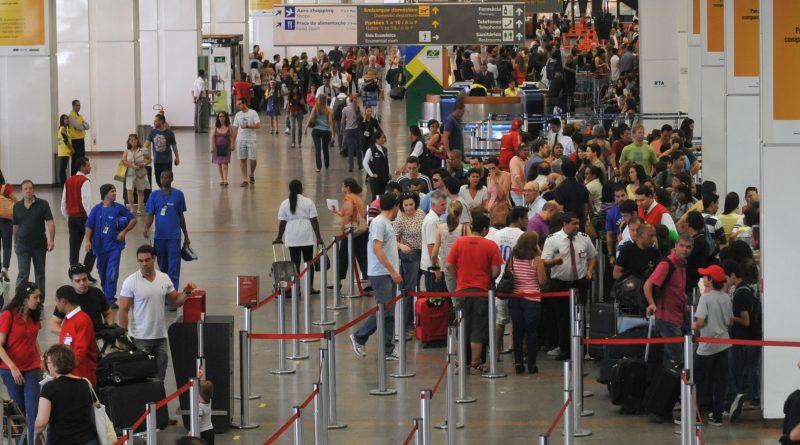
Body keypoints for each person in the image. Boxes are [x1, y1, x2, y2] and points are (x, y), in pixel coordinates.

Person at [119, 244, 198, 381]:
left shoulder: (164, 278)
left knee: (159, 377)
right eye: (141, 261)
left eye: (147, 260)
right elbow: (123, 310)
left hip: (160, 337)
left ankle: (159, 402)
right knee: (141, 378)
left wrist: (186, 292)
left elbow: (175, 301)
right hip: (140, 339)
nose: (144, 264)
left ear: (154, 259)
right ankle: (144, 402)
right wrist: (123, 336)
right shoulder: (130, 282)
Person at [445, 212, 503, 372]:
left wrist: (458, 277)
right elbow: (496, 270)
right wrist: (487, 278)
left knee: (462, 326)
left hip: (462, 290)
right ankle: (475, 363)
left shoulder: (459, 242)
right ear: (485, 229)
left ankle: (460, 361)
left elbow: (449, 264)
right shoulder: (490, 245)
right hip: (481, 292)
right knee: (478, 328)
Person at [350, 193, 402, 359]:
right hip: (381, 274)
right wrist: (393, 271)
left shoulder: (386, 222)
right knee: (384, 309)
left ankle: (388, 348)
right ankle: (359, 336)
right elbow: (377, 248)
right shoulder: (380, 223)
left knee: (389, 312)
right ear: (395, 206)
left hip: (387, 272)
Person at [541, 212, 597, 360]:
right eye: (573, 224)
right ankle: (565, 350)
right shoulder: (553, 240)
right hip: (560, 284)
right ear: (565, 224)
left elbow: (592, 256)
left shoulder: (584, 238)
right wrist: (554, 261)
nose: (576, 227)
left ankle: (582, 349)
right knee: (562, 317)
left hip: (580, 282)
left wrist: (590, 271)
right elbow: (544, 261)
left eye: (578, 223)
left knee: (580, 316)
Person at [0, 282, 42, 444]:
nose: (38, 300)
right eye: (35, 297)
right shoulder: (8, 315)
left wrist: (40, 359)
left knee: (33, 410)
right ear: (25, 299)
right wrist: (12, 367)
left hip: (31, 367)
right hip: (10, 370)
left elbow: (34, 339)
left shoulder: (34, 314)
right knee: (19, 411)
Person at [692, 264, 733, 426]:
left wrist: (692, 326)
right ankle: (717, 416)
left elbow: (700, 322)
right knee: (720, 382)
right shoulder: (726, 297)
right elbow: (729, 321)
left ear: (710, 280)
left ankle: (698, 416)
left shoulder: (706, 297)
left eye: (705, 276)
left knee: (699, 381)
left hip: (707, 346)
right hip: (724, 344)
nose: (703, 278)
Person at [644, 233, 693, 365]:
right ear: (676, 246)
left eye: (688, 247)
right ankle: (672, 385)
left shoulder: (682, 264)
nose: (684, 249)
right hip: (667, 318)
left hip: (678, 317)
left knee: (677, 357)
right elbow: (648, 285)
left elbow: (677, 288)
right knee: (674, 359)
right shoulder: (667, 265)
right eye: (682, 245)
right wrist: (652, 303)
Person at [34, 344, 98, 445]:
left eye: (48, 362)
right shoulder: (85, 383)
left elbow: (41, 422)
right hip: (89, 439)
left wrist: (36, 434)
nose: (47, 365)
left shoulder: (49, 387)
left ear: (55, 364)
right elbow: (96, 407)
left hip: (62, 441)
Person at [85, 184, 136, 307]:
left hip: (114, 247)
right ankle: (105, 295)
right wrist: (87, 240)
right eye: (112, 191)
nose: (115, 193)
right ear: (105, 193)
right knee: (102, 273)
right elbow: (89, 225)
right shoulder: (96, 209)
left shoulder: (119, 208)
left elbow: (133, 220)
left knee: (111, 273)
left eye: (115, 191)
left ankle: (110, 299)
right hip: (99, 247)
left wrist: (124, 232)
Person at [488, 207, 528, 354]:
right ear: (518, 219)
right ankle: (515, 346)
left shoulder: (497, 234)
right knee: (517, 317)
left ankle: (496, 350)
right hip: (517, 280)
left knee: (501, 319)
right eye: (525, 218)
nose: (527, 220)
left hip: (500, 281)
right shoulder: (523, 236)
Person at [725, 258, 761, 420]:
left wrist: (732, 319)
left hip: (743, 339)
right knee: (750, 370)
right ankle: (751, 397)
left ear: (733, 276)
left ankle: (740, 399)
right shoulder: (747, 289)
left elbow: (746, 321)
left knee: (739, 371)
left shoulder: (740, 293)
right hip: (752, 338)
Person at [274, 180, 324, 292]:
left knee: (294, 263)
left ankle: (295, 288)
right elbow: (314, 220)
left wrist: (279, 237)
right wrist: (319, 237)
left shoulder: (285, 203)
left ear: (290, 189)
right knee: (309, 262)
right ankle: (310, 287)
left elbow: (282, 222)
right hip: (306, 235)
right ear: (301, 188)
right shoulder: (308, 202)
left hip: (292, 236)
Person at [143, 170, 189, 291]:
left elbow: (181, 215)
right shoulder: (154, 195)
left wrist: (186, 236)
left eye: (166, 177)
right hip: (159, 237)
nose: (163, 180)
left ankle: (172, 295)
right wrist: (146, 227)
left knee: (174, 267)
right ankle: (164, 292)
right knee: (162, 267)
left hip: (174, 237)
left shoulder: (178, 194)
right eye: (162, 177)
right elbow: (150, 214)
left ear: (172, 178)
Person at [508, 232, 546, 374]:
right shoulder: (536, 259)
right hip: (532, 299)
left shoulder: (513, 256)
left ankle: (518, 363)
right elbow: (542, 281)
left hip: (515, 298)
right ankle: (531, 364)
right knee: (531, 332)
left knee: (517, 332)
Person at [12, 180, 55, 299]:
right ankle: (19, 300)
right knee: (23, 274)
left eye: (30, 188)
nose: (28, 191)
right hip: (22, 246)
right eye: (25, 189)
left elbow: (50, 222)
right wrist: (15, 243)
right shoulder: (17, 206)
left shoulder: (43, 204)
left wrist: (51, 239)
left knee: (40, 274)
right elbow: (15, 226)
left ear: (33, 190)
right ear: (22, 191)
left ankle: (39, 302)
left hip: (39, 246)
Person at [393, 192, 425, 330]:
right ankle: (407, 324)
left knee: (421, 287)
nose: (409, 208)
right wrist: (401, 246)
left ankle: (418, 320)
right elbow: (392, 239)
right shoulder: (400, 219)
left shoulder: (421, 213)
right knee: (410, 289)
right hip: (409, 255)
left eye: (411, 204)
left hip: (423, 254)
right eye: (405, 205)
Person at [54, 286, 99, 385]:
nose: (55, 304)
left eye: (56, 301)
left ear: (63, 301)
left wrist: (62, 370)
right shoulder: (68, 319)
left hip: (81, 377)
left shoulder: (82, 320)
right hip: (70, 375)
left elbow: (80, 352)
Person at [50, 264, 112, 335]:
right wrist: (71, 335)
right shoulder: (66, 297)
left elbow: (108, 313)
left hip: (98, 336)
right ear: (71, 281)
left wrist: (108, 328)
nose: (82, 283)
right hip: (77, 339)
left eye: (84, 279)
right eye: (78, 281)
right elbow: (54, 325)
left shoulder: (97, 292)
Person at [61, 158, 96, 281]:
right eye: (88, 165)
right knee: (94, 242)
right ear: (82, 167)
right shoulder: (84, 181)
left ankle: (74, 273)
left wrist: (68, 217)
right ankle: (86, 271)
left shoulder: (68, 181)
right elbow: (86, 201)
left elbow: (63, 203)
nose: (90, 167)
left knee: (74, 247)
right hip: (83, 218)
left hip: (72, 218)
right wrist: (91, 221)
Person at [432, 200, 471, 306]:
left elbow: (434, 253)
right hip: (463, 269)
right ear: (461, 212)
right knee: (466, 299)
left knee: (455, 299)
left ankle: (458, 319)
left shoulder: (441, 228)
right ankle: (465, 320)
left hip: (447, 267)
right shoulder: (465, 228)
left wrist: (435, 268)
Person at [331, 178, 368, 287]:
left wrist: (343, 229)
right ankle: (368, 279)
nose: (342, 187)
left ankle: (338, 280)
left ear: (347, 188)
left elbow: (348, 214)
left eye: (343, 186)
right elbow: (348, 212)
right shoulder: (357, 198)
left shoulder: (348, 198)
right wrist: (336, 212)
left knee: (343, 256)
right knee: (362, 256)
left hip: (351, 232)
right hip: (362, 230)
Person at [421, 190, 448, 294]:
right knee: (436, 302)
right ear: (433, 204)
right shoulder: (431, 221)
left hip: (435, 266)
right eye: (442, 204)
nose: (445, 207)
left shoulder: (436, 219)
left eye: (445, 204)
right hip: (432, 269)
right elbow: (431, 247)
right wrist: (436, 269)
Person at [552, 159, 589, 232]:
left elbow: (560, 211)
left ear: (562, 172)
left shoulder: (560, 189)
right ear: (575, 171)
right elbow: (586, 210)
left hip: (566, 227)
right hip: (580, 224)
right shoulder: (583, 188)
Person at [120, 134, 152, 215]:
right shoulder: (127, 151)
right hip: (130, 174)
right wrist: (132, 166)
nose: (133, 141)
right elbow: (123, 161)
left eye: (134, 139)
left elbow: (150, 160)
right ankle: (131, 208)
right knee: (130, 191)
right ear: (129, 142)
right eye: (131, 140)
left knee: (140, 191)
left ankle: (139, 209)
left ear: (137, 140)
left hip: (140, 173)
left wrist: (143, 163)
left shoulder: (143, 150)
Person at [145, 114, 179, 188]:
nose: (154, 123)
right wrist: (139, 152)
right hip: (157, 161)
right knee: (158, 180)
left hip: (167, 161)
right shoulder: (152, 132)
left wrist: (177, 158)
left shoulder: (170, 133)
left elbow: (174, 146)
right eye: (154, 121)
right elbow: (146, 144)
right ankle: (162, 192)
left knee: (167, 180)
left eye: (156, 121)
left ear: (161, 122)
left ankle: (166, 194)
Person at [232, 98, 260, 187]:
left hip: (251, 139)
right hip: (241, 140)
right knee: (242, 159)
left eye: (239, 104)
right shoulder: (237, 115)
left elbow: (258, 125)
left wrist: (247, 126)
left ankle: (251, 174)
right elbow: (235, 129)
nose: (238, 106)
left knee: (253, 159)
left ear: (244, 103)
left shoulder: (253, 113)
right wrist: (232, 142)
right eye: (237, 104)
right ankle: (244, 179)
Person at [305, 95, 334, 172]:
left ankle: (318, 167)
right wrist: (332, 133)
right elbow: (330, 122)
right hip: (326, 131)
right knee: (325, 148)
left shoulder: (315, 108)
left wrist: (305, 128)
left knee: (317, 149)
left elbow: (311, 118)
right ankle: (327, 164)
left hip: (316, 131)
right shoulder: (329, 110)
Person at [0, 170, 18, 282]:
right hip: (6, 221)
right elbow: (17, 202)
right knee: (7, 247)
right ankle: (4, 267)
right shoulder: (6, 188)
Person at [362, 131, 391, 200]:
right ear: (377, 139)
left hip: (384, 177)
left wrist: (389, 173)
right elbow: (365, 163)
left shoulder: (385, 149)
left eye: (384, 137)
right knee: (376, 197)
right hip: (375, 179)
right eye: (382, 137)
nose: (384, 139)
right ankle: (373, 210)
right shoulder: (371, 150)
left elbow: (387, 162)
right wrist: (371, 174)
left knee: (383, 197)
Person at [485, 157, 512, 226]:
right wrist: (487, 209)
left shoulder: (507, 175)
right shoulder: (488, 178)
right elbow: (488, 197)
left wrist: (495, 181)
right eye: (489, 169)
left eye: (493, 168)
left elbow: (501, 196)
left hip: (502, 209)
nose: (491, 171)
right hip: (491, 209)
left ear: (498, 166)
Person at [67, 100, 90, 175]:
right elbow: (78, 127)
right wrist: (82, 126)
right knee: (76, 159)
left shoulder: (79, 116)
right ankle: (74, 175)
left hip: (81, 139)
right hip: (75, 140)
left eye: (79, 105)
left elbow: (88, 126)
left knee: (81, 159)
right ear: (73, 106)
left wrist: (81, 126)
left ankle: (80, 174)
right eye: (77, 105)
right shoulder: (71, 116)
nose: (78, 107)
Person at [341, 95, 362, 172]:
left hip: (348, 131)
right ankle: (360, 166)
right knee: (358, 149)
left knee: (350, 149)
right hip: (357, 130)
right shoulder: (357, 108)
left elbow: (342, 121)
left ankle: (351, 167)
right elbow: (361, 118)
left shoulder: (345, 109)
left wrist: (342, 129)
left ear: (348, 101)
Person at [56, 114, 73, 186]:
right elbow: (66, 140)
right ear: (62, 121)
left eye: (67, 119)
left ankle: (64, 184)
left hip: (63, 152)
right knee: (62, 170)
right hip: (64, 152)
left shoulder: (62, 128)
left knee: (63, 169)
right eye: (65, 119)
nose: (67, 120)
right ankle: (63, 184)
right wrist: (72, 149)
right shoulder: (63, 129)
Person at [199, 380, 215, 444]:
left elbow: (198, 420)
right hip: (210, 429)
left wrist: (191, 431)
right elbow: (206, 392)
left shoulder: (200, 407)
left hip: (203, 432)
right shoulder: (209, 400)